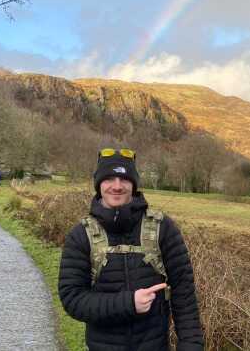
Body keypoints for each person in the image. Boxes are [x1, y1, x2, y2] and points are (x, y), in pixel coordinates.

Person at [58, 148, 204, 351]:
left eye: (124, 179)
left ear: (134, 185)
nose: (117, 186)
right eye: (109, 179)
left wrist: (190, 346)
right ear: (99, 184)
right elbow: (72, 299)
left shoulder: (163, 228)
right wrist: (129, 303)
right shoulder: (81, 235)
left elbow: (184, 294)